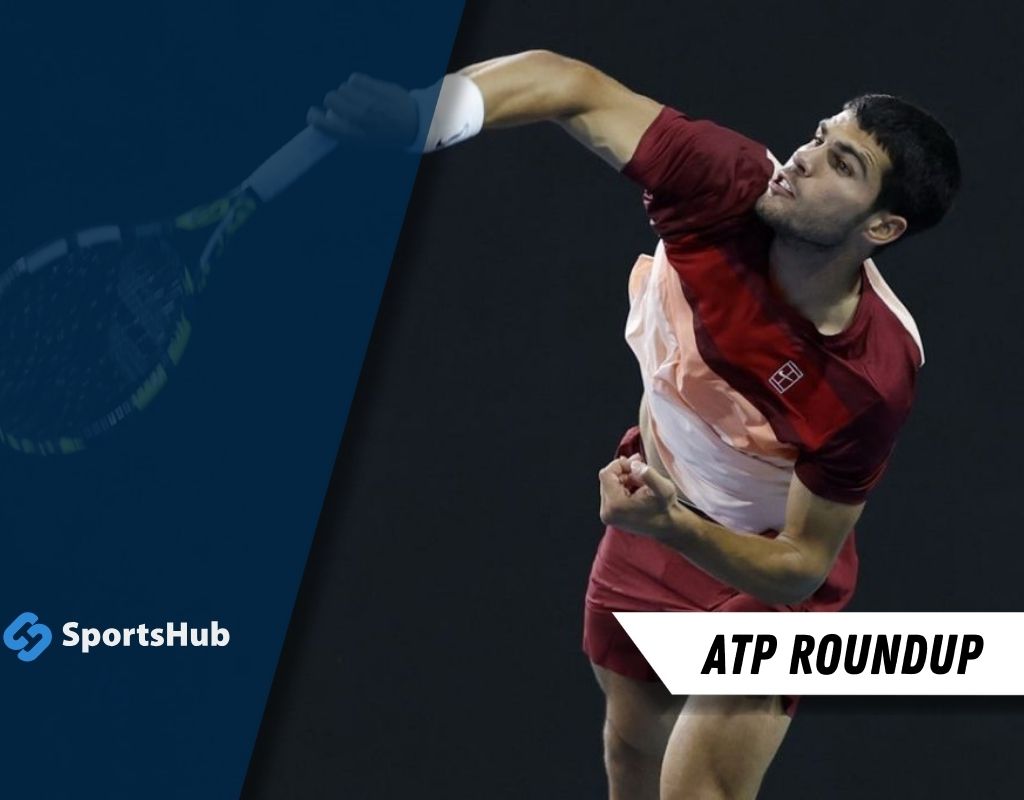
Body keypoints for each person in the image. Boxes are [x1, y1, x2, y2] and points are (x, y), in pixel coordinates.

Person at [308, 50, 961, 800]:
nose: (805, 159)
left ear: (883, 224)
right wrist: (428, 114)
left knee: (699, 792)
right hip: (656, 511)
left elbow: (805, 564)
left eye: (841, 163)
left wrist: (673, 525)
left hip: (760, 576)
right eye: (817, 136)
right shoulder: (726, 183)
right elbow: (569, 87)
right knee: (629, 753)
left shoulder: (870, 376)